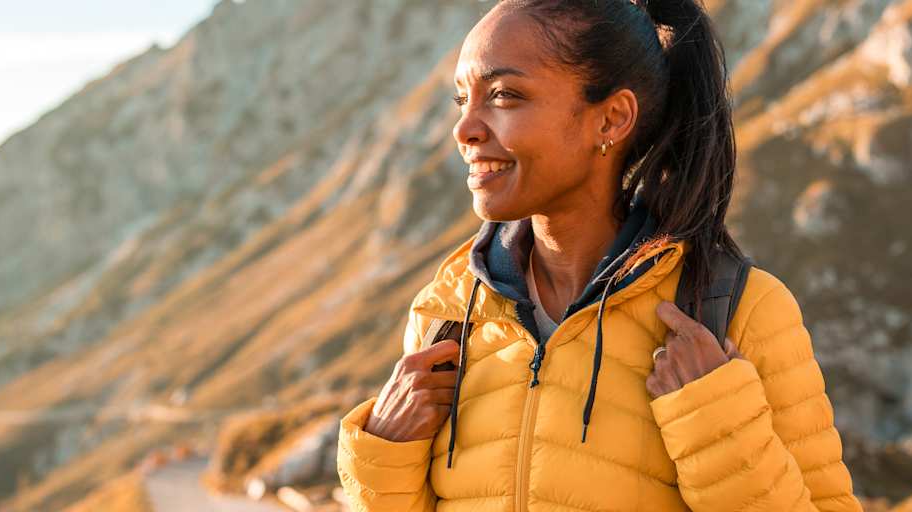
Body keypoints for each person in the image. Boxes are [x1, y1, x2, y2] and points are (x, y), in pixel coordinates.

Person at [335, 0, 862, 510]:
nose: (464, 129)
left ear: (611, 119)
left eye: (503, 95)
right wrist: (385, 450)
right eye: (461, 99)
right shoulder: (445, 311)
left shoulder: (740, 310)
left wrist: (716, 426)